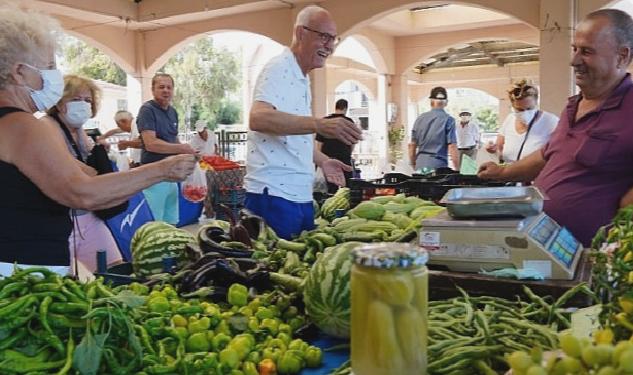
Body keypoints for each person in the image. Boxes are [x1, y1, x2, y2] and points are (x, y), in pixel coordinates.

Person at [0, 4, 196, 274]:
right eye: (48, 66)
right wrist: (163, 169)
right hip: (25, 274)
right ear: (19, 72)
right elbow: (84, 193)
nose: (54, 75)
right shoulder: (23, 126)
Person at [479, 9, 633, 247]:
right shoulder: (573, 106)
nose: (574, 61)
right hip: (542, 245)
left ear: (622, 56)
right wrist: (502, 173)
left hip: (590, 257)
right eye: (575, 49)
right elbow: (547, 154)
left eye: (587, 52)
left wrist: (620, 237)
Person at [245, 5, 362, 239]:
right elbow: (258, 118)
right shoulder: (279, 68)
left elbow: (291, 135)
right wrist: (318, 125)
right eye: (324, 37)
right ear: (301, 33)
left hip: (298, 195)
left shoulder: (301, 77)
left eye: (333, 39)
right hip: (274, 194)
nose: (330, 46)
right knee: (274, 268)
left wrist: (323, 160)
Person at [44, 75, 123, 272]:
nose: (83, 105)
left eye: (88, 101)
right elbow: (76, 169)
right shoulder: (47, 126)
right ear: (60, 102)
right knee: (67, 284)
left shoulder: (80, 133)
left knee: (114, 269)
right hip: (60, 221)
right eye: (76, 99)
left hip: (88, 218)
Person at [137, 73, 196, 224]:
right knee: (155, 222)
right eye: (161, 87)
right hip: (154, 174)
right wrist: (181, 148)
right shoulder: (147, 110)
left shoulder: (173, 112)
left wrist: (188, 153)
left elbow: (173, 138)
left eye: (169, 87)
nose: (166, 90)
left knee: (172, 220)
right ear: (153, 89)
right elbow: (151, 143)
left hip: (172, 174)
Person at [485, 80, 559, 164]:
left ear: (536, 103)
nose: (525, 113)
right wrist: (493, 150)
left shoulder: (551, 122)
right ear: (513, 106)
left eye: (529, 109)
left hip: (537, 175)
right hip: (509, 173)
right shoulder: (510, 119)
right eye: (519, 109)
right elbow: (499, 148)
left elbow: (560, 153)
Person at [408, 86, 459, 172]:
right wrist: (457, 169)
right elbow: (452, 146)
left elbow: (412, 146)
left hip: (420, 165)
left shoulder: (420, 119)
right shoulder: (449, 120)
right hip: (438, 166)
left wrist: (413, 164)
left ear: (431, 102)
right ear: (446, 103)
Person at [316, 98, 355, 193]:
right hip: (344, 157)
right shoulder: (349, 122)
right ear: (346, 108)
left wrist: (319, 159)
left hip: (327, 157)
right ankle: (345, 203)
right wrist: (349, 152)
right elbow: (353, 142)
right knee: (347, 186)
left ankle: (329, 202)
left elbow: (319, 143)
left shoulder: (325, 121)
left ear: (336, 107)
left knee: (330, 186)